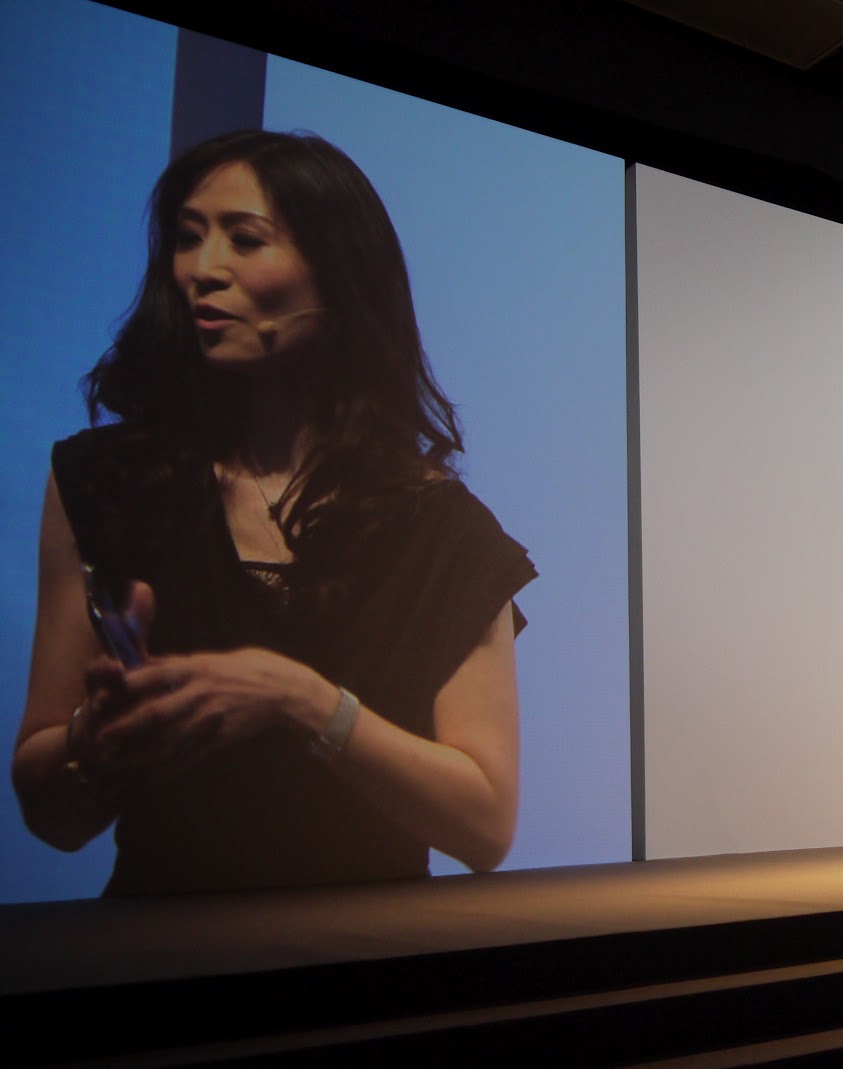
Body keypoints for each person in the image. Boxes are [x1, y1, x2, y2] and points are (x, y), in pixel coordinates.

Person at [11, 130, 538, 895]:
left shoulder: (442, 527)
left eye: (245, 239)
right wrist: (96, 742)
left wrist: (300, 700)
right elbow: (51, 820)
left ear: (341, 272)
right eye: (188, 238)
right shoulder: (107, 482)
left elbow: (484, 826)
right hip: (160, 947)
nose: (202, 269)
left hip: (376, 954)